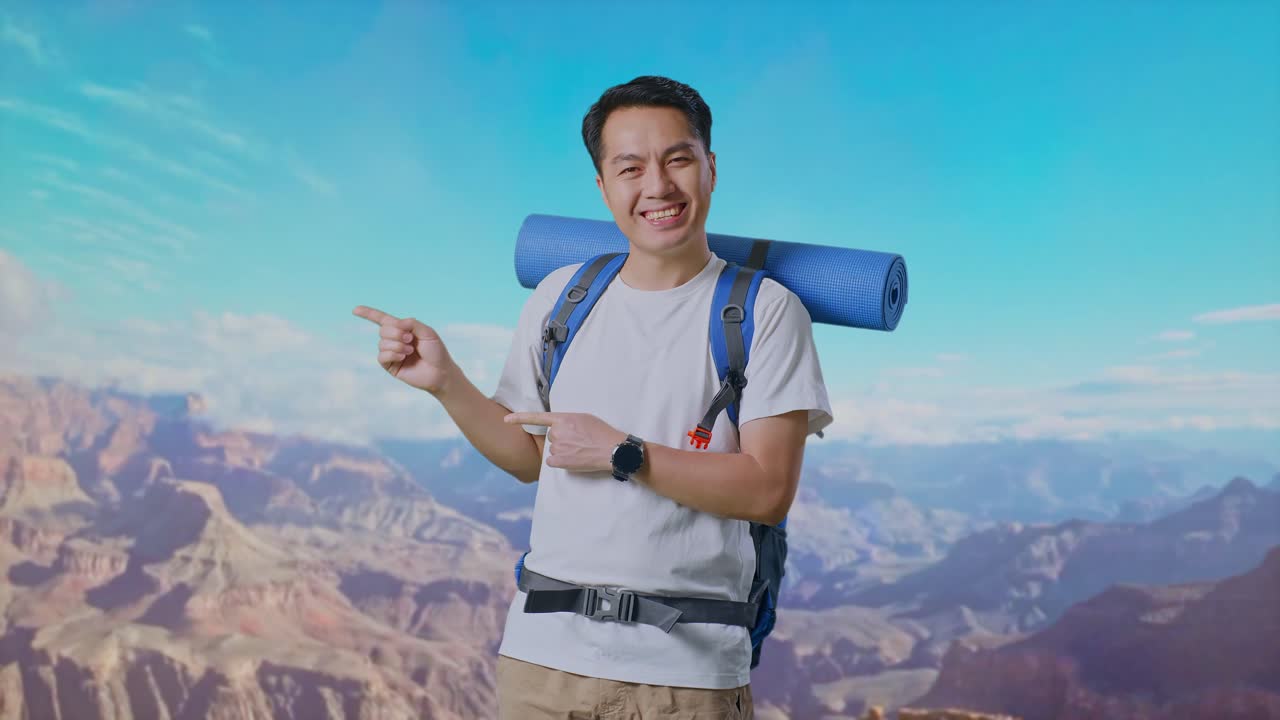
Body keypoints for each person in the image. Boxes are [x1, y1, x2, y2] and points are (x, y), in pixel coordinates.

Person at [354, 75, 833, 719]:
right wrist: (446, 382)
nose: (657, 187)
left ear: (711, 168)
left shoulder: (766, 313)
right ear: (603, 187)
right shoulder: (561, 297)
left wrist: (621, 453)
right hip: (541, 663)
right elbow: (530, 457)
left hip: (683, 677)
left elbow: (767, 489)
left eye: (678, 160)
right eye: (629, 167)